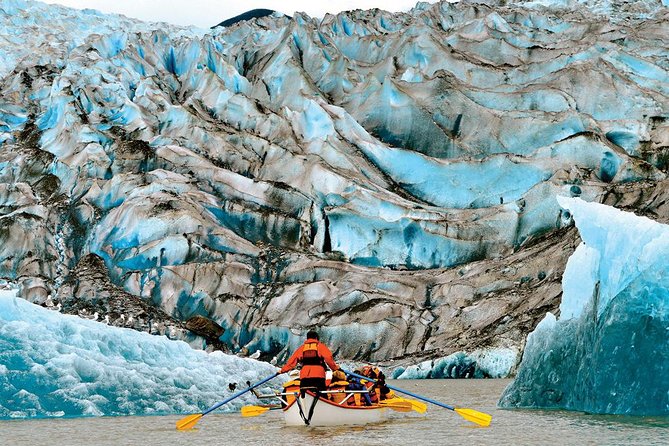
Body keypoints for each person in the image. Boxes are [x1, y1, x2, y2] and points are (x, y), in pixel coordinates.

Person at [279, 330, 340, 394]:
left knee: (304, 393)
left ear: (307, 338)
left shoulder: (301, 348)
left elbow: (291, 362)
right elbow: (329, 359)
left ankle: (305, 401)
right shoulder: (320, 346)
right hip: (319, 376)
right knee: (322, 394)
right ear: (316, 338)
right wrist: (336, 369)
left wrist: (282, 370)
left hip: (305, 376)